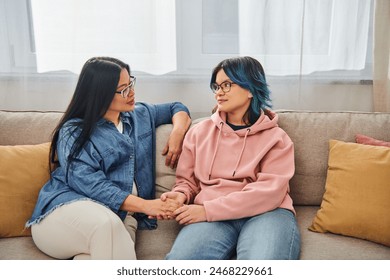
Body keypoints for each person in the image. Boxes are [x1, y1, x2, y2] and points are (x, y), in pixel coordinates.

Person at [25, 57, 191, 260]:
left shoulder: (140, 115)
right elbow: (91, 184)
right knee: (108, 226)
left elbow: (177, 107)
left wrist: (177, 134)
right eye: (123, 89)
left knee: (104, 249)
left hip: (120, 219)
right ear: (100, 94)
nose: (131, 93)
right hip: (65, 213)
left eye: (131, 83)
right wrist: (147, 205)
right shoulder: (73, 131)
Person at [161, 56, 301, 260]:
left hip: (267, 213)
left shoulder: (277, 139)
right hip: (211, 215)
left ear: (251, 89)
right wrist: (180, 195)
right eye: (216, 86)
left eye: (227, 85)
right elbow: (187, 182)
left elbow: (268, 193)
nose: (219, 92)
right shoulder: (198, 133)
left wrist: (207, 211)